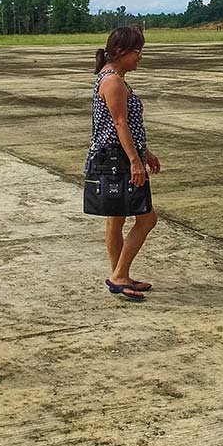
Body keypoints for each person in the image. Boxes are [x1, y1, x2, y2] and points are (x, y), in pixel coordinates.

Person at [88, 25, 161, 302]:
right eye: (137, 51)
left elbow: (122, 124)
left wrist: (145, 152)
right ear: (121, 51)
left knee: (115, 220)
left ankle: (120, 274)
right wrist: (135, 161)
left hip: (111, 157)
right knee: (147, 219)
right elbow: (119, 124)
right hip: (117, 160)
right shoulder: (113, 81)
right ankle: (119, 275)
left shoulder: (111, 77)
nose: (140, 57)